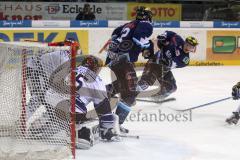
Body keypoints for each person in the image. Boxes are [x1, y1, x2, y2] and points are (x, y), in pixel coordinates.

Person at [105, 6, 154, 131]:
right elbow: (138, 40)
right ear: (148, 16)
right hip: (123, 60)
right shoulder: (146, 24)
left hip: (112, 58)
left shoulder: (128, 24)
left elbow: (115, 36)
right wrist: (149, 44)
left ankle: (96, 96)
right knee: (130, 94)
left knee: (121, 86)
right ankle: (114, 125)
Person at [137, 31, 199, 100]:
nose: (192, 48)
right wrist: (164, 36)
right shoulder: (178, 39)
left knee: (171, 87)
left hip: (163, 69)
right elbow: (170, 33)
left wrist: (164, 43)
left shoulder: (185, 60)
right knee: (146, 82)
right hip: (154, 62)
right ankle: (128, 93)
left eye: (193, 47)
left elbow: (169, 63)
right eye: (191, 46)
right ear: (186, 44)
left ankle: (156, 98)